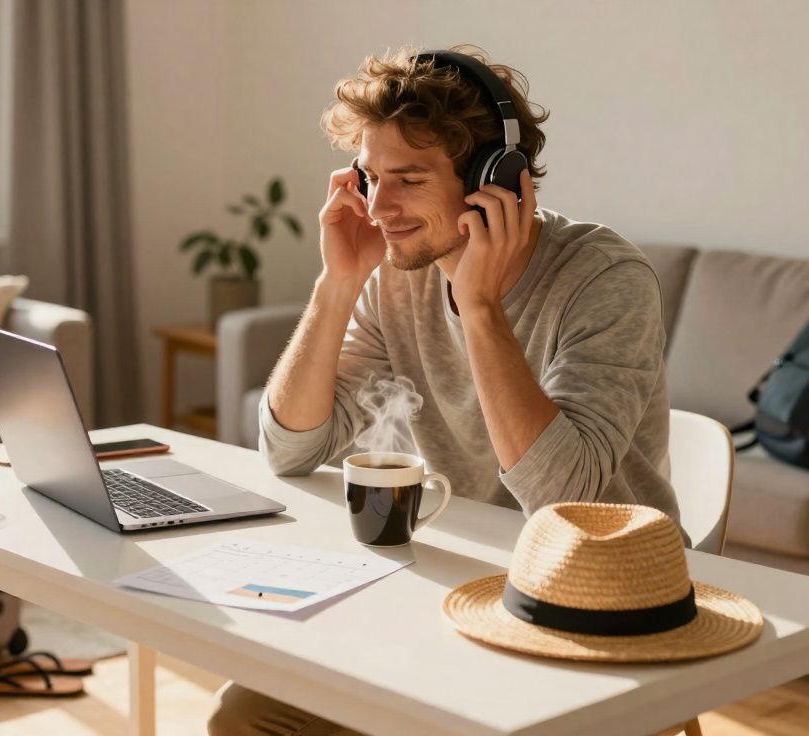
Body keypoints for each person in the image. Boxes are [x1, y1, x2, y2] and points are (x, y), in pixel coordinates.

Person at [207, 44, 680, 736]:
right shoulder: (397, 276)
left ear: (499, 179)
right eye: (369, 178)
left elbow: (562, 498)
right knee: (245, 714)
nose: (379, 206)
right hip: (447, 583)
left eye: (408, 179)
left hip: (593, 605)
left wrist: (481, 307)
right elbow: (290, 448)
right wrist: (336, 284)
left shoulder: (605, 282)